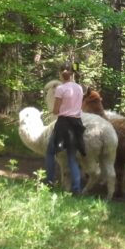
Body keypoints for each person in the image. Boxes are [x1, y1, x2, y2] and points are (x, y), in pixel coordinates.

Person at [47, 61, 86, 194]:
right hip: (76, 124)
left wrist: (54, 110)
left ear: (60, 74)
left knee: (50, 152)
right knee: (71, 157)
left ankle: (49, 183)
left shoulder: (60, 89)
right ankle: (77, 189)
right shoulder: (79, 88)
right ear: (72, 74)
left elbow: (56, 110)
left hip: (63, 125)